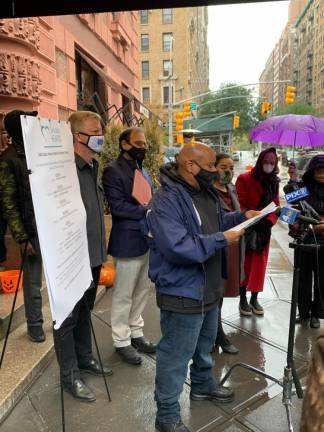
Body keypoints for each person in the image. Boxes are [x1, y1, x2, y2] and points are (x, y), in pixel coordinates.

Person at [144, 142, 259, 432]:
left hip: (208, 286)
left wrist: (241, 218)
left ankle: (203, 385)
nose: (216, 173)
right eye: (210, 167)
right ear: (190, 166)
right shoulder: (165, 201)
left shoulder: (204, 191)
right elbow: (178, 247)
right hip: (182, 290)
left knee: (205, 345)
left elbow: (217, 222)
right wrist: (223, 239)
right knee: (175, 355)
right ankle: (167, 415)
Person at [53, 111, 112, 403]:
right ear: (79, 136)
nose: (101, 134)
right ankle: (70, 376)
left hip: (93, 255)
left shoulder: (93, 167)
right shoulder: (63, 171)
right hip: (71, 258)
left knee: (86, 311)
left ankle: (85, 358)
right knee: (67, 318)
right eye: (96, 130)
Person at [102, 127, 156, 366]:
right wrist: (148, 209)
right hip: (127, 241)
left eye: (144, 144)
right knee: (123, 295)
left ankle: (136, 333)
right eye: (138, 143)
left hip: (147, 240)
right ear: (124, 144)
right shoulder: (112, 171)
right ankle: (121, 341)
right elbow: (119, 208)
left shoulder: (142, 169)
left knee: (142, 291)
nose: (143, 147)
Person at [0, 110, 45, 343]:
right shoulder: (8, 160)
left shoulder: (35, 152)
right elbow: (8, 203)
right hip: (30, 230)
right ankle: (35, 324)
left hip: (47, 225)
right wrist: (21, 237)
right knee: (33, 282)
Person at [235, 147, 280, 317]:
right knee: (244, 265)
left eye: (272, 163)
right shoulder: (245, 178)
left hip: (264, 231)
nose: (268, 165)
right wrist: (251, 219)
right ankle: (242, 299)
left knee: (259, 266)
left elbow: (275, 205)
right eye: (266, 162)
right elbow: (240, 204)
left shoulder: (274, 182)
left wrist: (269, 222)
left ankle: (254, 298)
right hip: (247, 228)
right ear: (260, 161)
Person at [285, 155, 324, 328]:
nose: (322, 174)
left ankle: (317, 314)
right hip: (305, 239)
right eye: (318, 170)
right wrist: (293, 179)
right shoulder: (303, 188)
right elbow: (290, 202)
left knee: (322, 280)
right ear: (311, 171)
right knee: (303, 279)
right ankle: (304, 313)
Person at [213, 153, 245, 355]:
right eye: (223, 167)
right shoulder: (207, 191)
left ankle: (215, 333)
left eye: (231, 167)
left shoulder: (231, 188)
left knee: (223, 292)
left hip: (233, 246)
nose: (228, 171)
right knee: (216, 292)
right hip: (217, 246)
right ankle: (217, 335)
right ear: (213, 167)